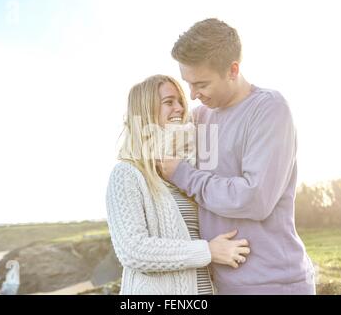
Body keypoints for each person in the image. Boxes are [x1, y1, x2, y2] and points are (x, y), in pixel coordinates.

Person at [158, 18, 316, 294]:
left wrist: (183, 174)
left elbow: (255, 199)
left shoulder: (269, 110)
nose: (193, 95)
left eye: (202, 84)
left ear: (233, 70)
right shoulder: (199, 118)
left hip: (273, 284)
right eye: (189, 84)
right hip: (223, 284)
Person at [106, 74, 250, 295]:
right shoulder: (126, 174)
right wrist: (208, 251)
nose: (180, 108)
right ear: (145, 110)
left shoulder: (188, 171)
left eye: (181, 101)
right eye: (169, 102)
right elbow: (133, 250)